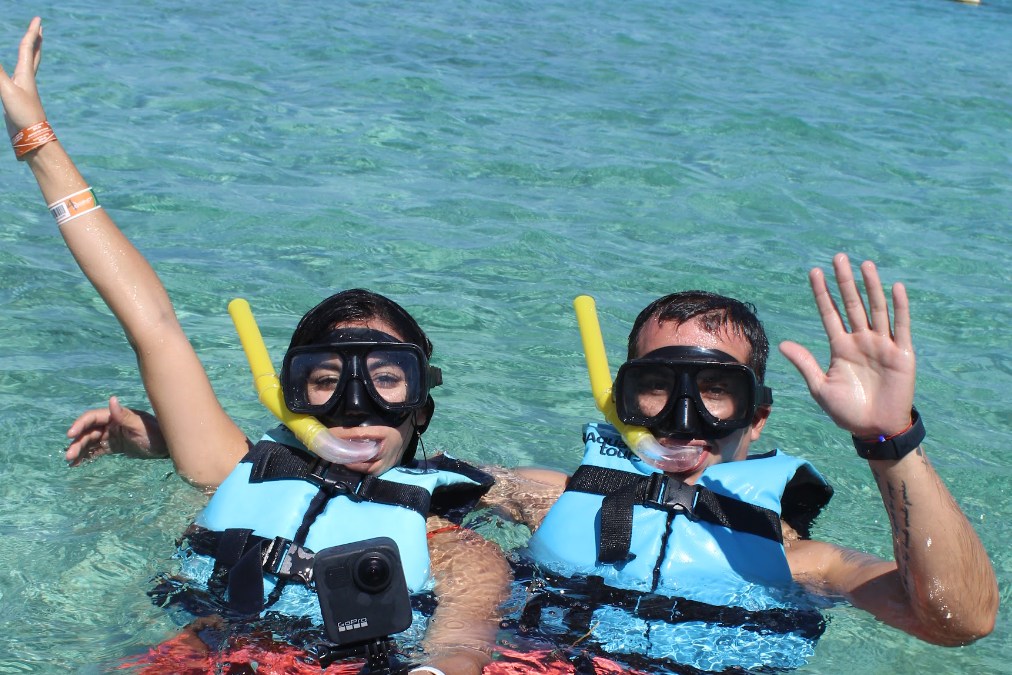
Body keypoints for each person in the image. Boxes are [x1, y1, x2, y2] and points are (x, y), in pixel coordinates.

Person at [2, 17, 508, 675]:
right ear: (288, 391)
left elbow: (463, 644)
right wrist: (34, 134)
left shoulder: (458, 551)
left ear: (419, 404)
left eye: (385, 379)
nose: (355, 408)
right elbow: (150, 319)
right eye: (326, 379)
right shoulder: (230, 465)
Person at [482, 254, 998, 673]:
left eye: (715, 391)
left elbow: (958, 621)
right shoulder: (547, 497)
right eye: (657, 387)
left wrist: (889, 437)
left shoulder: (802, 565)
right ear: (622, 399)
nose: (683, 421)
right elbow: (414, 481)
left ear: (756, 416)